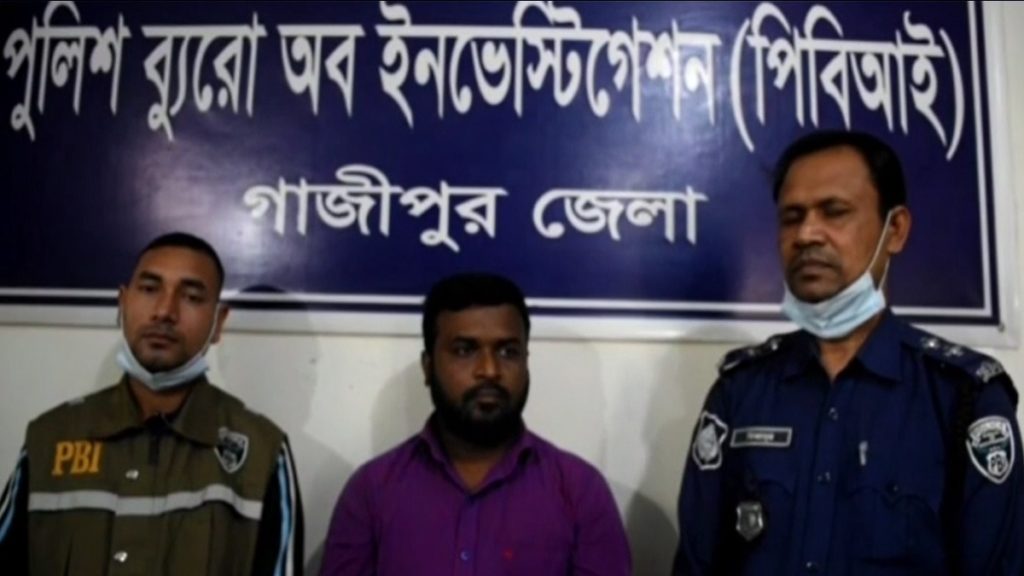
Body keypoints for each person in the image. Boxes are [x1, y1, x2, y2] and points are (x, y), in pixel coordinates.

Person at [672, 130, 1023, 575]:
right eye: (792, 217)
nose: (806, 234)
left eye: (834, 212)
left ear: (895, 230)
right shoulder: (739, 393)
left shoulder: (964, 400)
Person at [0, 231, 303, 575]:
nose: (164, 311)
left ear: (218, 323)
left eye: (191, 297)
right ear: (123, 304)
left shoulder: (261, 451)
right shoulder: (50, 438)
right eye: (149, 289)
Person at [321, 272, 631, 576]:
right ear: (427, 367)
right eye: (464, 350)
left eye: (508, 352)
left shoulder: (579, 492)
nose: (489, 370)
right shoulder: (372, 491)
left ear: (526, 363)